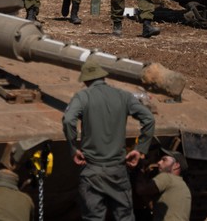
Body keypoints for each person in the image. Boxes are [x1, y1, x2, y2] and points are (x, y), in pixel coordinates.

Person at [62, 61, 156, 221]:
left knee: (93, 217)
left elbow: (68, 120)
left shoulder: (83, 96)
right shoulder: (123, 96)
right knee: (124, 217)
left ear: (86, 80)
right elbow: (149, 119)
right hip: (117, 171)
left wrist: (73, 148)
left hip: (92, 170)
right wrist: (140, 149)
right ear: (103, 77)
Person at [131, 149, 192, 221]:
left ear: (176, 165)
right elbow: (153, 206)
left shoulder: (167, 177)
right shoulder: (182, 186)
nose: (159, 162)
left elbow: (141, 189)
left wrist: (140, 167)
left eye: (164, 160)